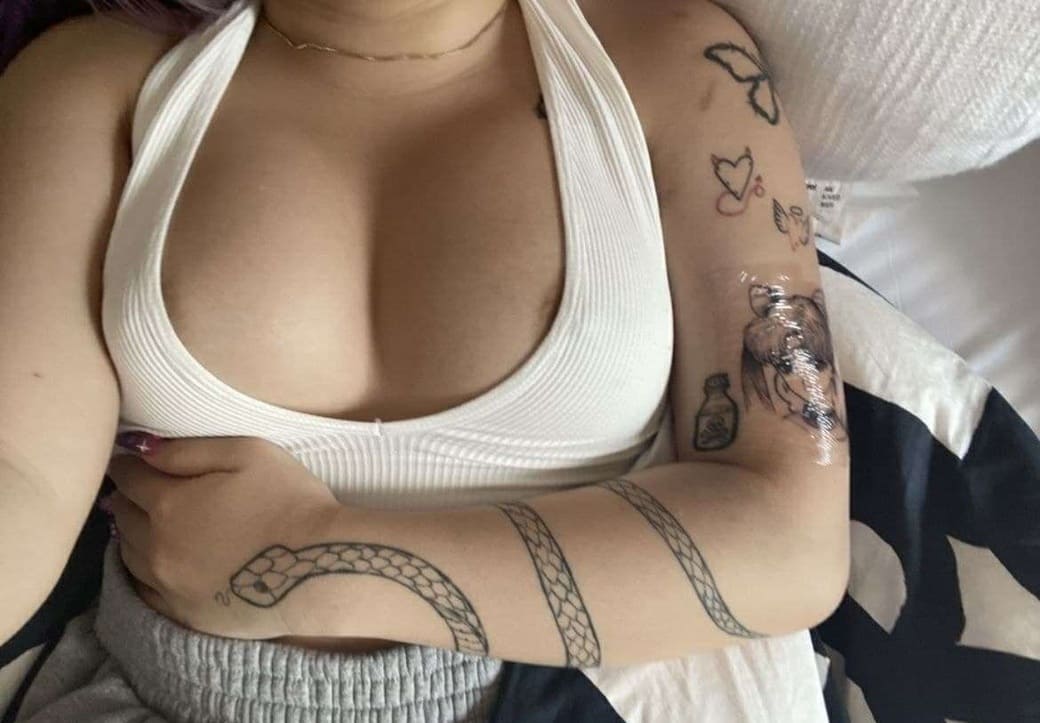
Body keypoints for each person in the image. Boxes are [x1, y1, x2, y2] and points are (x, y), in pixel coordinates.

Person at [0, 0, 850, 719]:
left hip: (594, 695)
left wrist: (313, 560)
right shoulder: (96, 81)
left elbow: (790, 541)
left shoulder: (685, 66)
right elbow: (19, 472)